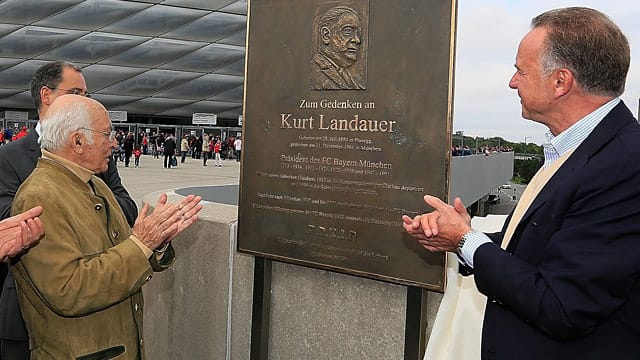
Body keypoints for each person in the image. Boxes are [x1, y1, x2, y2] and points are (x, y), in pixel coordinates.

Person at [403, 7, 640, 359]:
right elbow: (546, 246)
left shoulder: (624, 164)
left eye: (520, 70)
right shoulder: (579, 149)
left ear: (561, 82)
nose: (512, 82)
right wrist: (463, 239)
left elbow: (562, 305)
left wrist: (466, 241)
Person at [10, 94, 203, 359]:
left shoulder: (95, 184)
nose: (114, 143)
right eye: (107, 134)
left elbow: (125, 248)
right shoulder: (40, 196)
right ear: (77, 141)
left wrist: (155, 243)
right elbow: (68, 289)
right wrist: (141, 244)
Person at [0, 60, 138, 359]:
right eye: (76, 91)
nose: (85, 99)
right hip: (26, 312)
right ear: (46, 95)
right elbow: (12, 222)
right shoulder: (10, 157)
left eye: (87, 94)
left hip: (94, 313)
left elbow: (124, 205)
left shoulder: (96, 158)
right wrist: (60, 206)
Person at [310, 5, 366, 90]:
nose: (357, 40)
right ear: (326, 35)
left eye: (358, 34)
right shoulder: (313, 72)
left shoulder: (353, 79)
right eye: (348, 31)